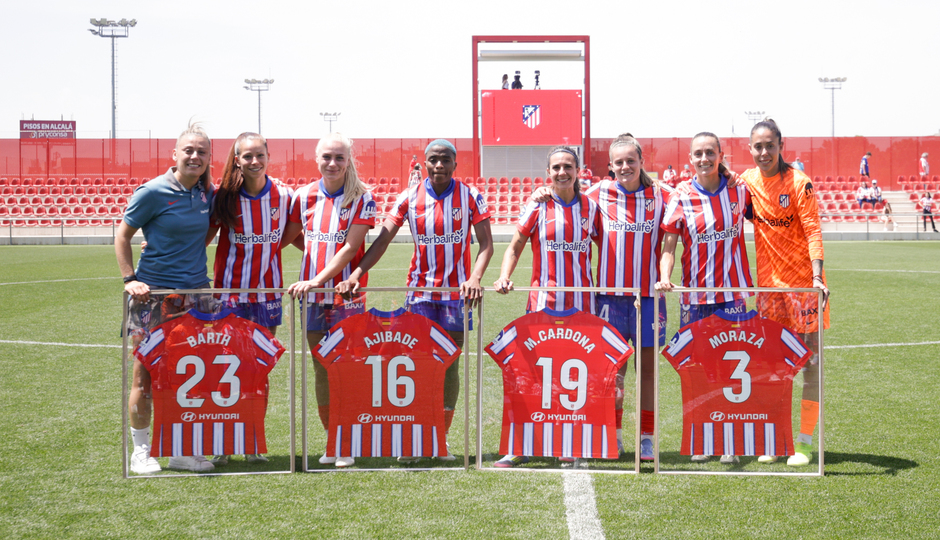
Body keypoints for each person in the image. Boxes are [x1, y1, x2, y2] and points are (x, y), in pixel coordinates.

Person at [336, 138, 494, 462]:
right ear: (425, 163)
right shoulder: (409, 197)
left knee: (449, 365)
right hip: (419, 295)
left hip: (456, 297)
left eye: (445, 160)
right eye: (433, 159)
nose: (439, 165)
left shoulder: (471, 196)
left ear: (455, 164)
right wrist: (357, 273)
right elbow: (382, 240)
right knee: (418, 365)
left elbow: (486, 244)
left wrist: (475, 278)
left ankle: (441, 440)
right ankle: (414, 439)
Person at [492, 146, 601, 467]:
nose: (562, 172)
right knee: (531, 375)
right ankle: (522, 444)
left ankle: (571, 440)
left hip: (582, 306)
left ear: (578, 171)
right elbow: (515, 246)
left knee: (577, 375)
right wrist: (504, 276)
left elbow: (609, 247)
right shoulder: (537, 205)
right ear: (548, 172)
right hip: (542, 304)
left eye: (568, 166)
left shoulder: (592, 208)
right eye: (556, 167)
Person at [117, 123, 216, 474]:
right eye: (188, 150)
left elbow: (211, 226)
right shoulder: (153, 191)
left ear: (209, 158)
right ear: (175, 154)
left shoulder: (207, 193)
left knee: (188, 376)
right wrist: (130, 279)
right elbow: (123, 235)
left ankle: (181, 451)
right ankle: (140, 452)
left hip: (196, 298)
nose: (195, 156)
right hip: (154, 297)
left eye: (201, 151)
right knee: (144, 378)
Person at [656, 132, 753, 465]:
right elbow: (669, 247)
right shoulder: (681, 196)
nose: (704, 159)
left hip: (732, 295)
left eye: (710, 153)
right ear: (690, 160)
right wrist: (665, 276)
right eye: (698, 154)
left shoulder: (740, 190)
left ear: (721, 156)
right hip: (694, 297)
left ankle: (731, 439)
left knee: (732, 366)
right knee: (698, 369)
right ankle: (703, 437)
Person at [284, 133, 377, 468]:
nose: (332, 163)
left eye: (339, 157)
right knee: (321, 368)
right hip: (312, 298)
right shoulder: (303, 195)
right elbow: (288, 236)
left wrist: (317, 279)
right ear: (316, 159)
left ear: (349, 160)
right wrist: (314, 259)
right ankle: (332, 439)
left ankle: (348, 440)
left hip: (345, 298)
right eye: (326, 157)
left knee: (346, 368)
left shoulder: (362, 197)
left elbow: (351, 248)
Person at [742, 119, 831, 467]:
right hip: (769, 292)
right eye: (758, 146)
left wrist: (817, 277)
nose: (764, 152)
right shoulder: (747, 182)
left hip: (804, 289)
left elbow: (813, 230)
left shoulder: (799, 183)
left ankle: (805, 444)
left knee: (810, 366)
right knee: (772, 369)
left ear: (781, 146)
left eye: (770, 145)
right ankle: (776, 440)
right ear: (750, 149)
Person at [204, 132, 293, 466]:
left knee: (258, 369)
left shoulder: (285, 196)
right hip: (229, 296)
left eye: (260, 155)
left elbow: (294, 234)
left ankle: (252, 439)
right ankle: (225, 442)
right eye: (247, 156)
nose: (255, 162)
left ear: (268, 156)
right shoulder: (224, 197)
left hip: (267, 297)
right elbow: (203, 238)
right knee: (225, 366)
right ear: (237, 160)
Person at [589, 136, 667, 461]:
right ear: (610, 165)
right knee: (613, 373)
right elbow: (565, 199)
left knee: (646, 372)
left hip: (648, 298)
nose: (625, 167)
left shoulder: (661, 196)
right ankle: (615, 436)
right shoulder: (597, 193)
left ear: (641, 161)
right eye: (618, 162)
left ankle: (646, 438)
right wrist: (543, 193)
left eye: (630, 161)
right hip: (610, 299)